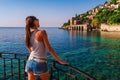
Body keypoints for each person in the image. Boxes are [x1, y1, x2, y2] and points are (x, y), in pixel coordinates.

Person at [24, 16, 68, 80]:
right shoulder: (41, 32)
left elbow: (30, 50)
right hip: (40, 62)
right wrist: (59, 60)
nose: (38, 20)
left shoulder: (27, 35)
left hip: (29, 62)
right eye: (37, 19)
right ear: (34, 22)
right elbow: (49, 49)